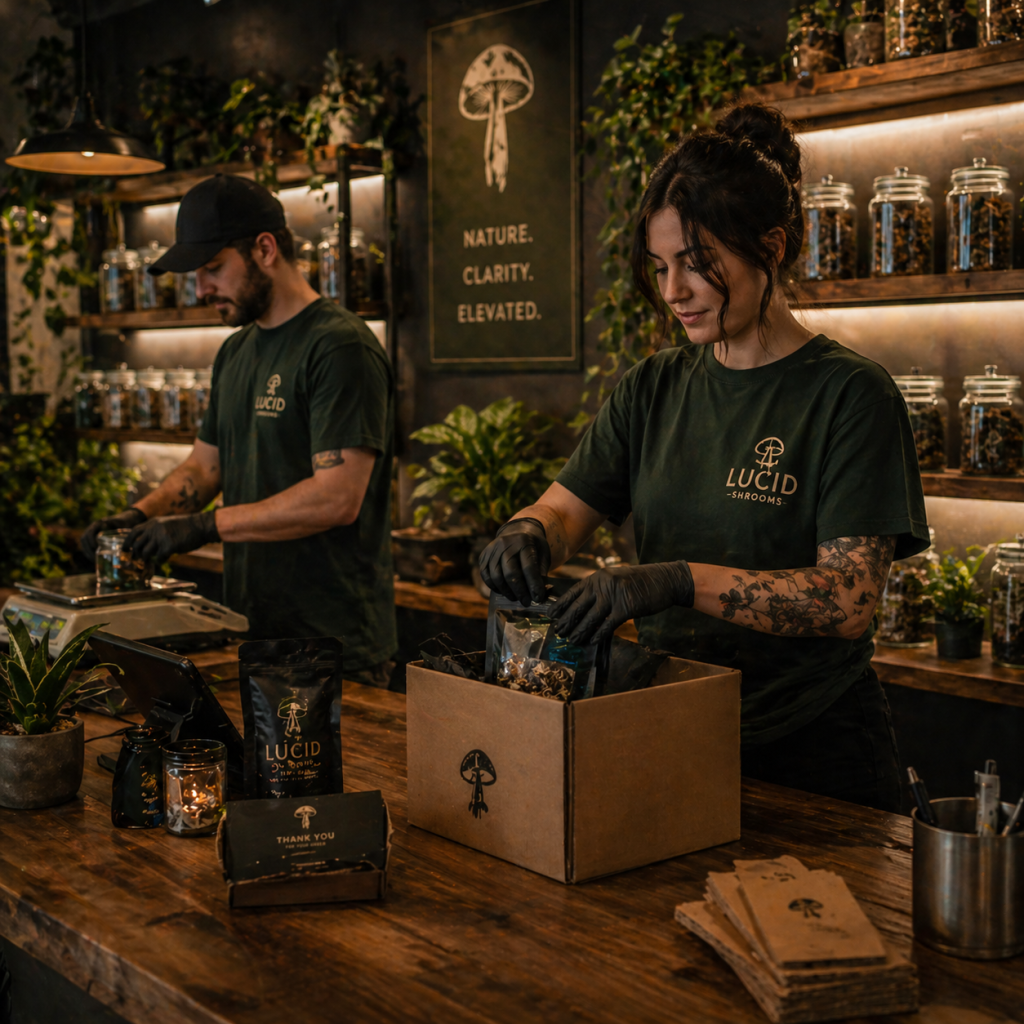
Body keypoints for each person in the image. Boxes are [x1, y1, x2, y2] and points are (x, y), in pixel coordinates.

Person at [478, 105, 928, 811]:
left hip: (815, 750)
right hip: (673, 725)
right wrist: (529, 531)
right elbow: (567, 506)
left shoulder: (849, 394)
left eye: (697, 263)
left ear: (771, 248)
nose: (673, 292)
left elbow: (847, 599)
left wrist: (675, 582)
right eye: (661, 267)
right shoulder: (654, 387)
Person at [80, 174, 397, 687]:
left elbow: (337, 498)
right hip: (252, 628)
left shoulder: (339, 347)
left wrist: (203, 527)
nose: (201, 289)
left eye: (212, 269)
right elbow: (205, 467)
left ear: (265, 249)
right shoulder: (235, 351)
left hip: (332, 645)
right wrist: (139, 516)